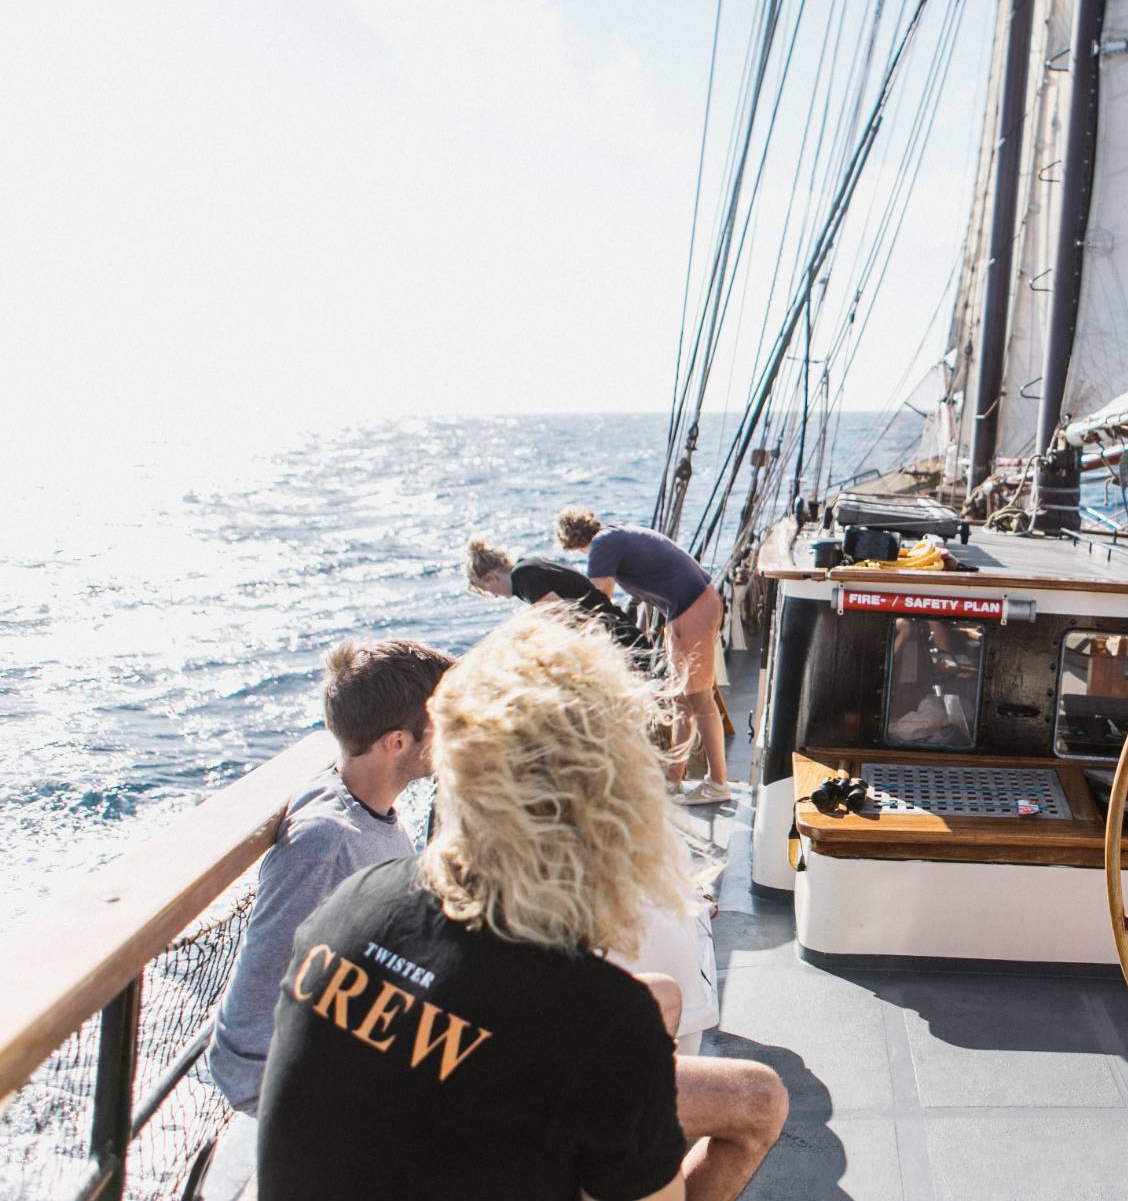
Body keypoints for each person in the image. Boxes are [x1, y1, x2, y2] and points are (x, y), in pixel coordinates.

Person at [256, 609, 787, 1201]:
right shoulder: (606, 1023)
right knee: (760, 1096)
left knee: (659, 998)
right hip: (572, 1068)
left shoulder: (353, 900)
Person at [208, 638, 455, 1116]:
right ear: (397, 742)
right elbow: (245, 1041)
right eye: (441, 725)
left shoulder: (368, 807)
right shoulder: (327, 842)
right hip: (328, 1095)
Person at [555, 508, 731, 806]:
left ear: (574, 542)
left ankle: (717, 783)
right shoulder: (616, 532)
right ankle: (673, 780)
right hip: (691, 605)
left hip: (692, 608)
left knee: (700, 699)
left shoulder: (602, 545)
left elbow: (599, 597)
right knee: (681, 700)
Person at [465, 536, 645, 649]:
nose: (495, 595)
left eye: (487, 591)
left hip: (620, 643)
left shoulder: (523, 578)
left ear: (490, 577)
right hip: (622, 631)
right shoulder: (530, 565)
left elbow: (562, 612)